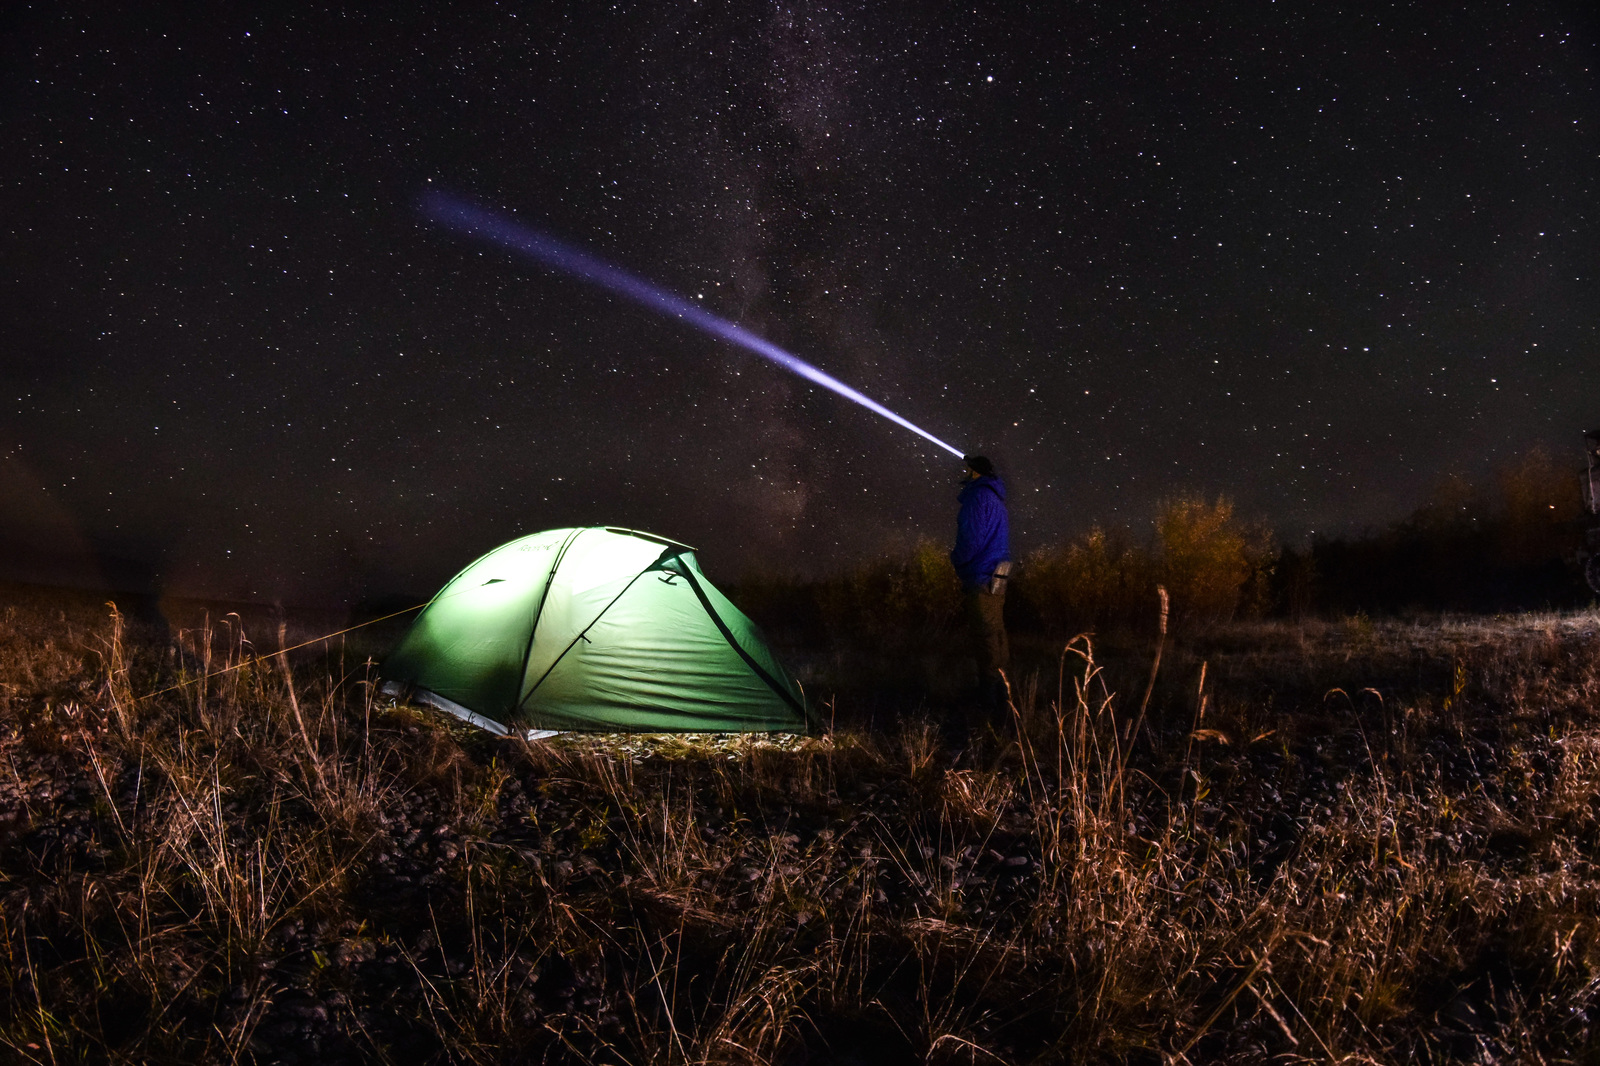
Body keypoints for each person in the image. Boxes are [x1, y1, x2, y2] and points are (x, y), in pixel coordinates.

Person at [950, 454, 1011, 709]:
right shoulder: (996, 499)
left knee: (985, 638)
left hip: (982, 577)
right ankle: (1004, 697)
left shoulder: (978, 498)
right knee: (996, 635)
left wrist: (956, 559)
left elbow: (970, 541)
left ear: (974, 472)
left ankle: (991, 707)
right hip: (997, 576)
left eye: (968, 469)